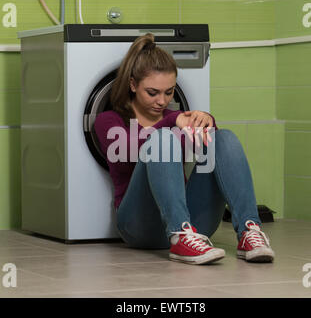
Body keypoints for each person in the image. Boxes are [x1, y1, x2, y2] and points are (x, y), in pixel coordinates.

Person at [94, 33, 275, 265]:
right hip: (139, 225)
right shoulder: (109, 120)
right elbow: (126, 154)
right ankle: (179, 237)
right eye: (153, 92)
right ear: (132, 85)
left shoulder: (176, 118)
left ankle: (250, 231)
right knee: (161, 139)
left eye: (169, 92)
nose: (162, 101)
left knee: (223, 138)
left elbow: (215, 150)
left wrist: (205, 120)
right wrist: (172, 122)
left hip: (195, 225)